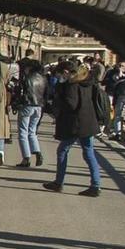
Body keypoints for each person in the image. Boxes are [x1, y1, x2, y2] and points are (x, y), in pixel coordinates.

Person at [44, 59, 107, 196]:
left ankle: (59, 182)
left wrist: (58, 100)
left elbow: (71, 104)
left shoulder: (72, 85)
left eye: (61, 75)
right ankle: (96, 185)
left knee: (62, 150)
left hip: (75, 124)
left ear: (66, 72)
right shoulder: (88, 81)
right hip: (89, 122)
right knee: (89, 153)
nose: (60, 78)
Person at [14, 56, 47, 169]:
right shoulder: (43, 78)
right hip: (39, 106)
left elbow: (21, 92)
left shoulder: (26, 78)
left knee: (23, 132)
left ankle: (26, 158)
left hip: (27, 105)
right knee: (32, 131)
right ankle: (37, 151)